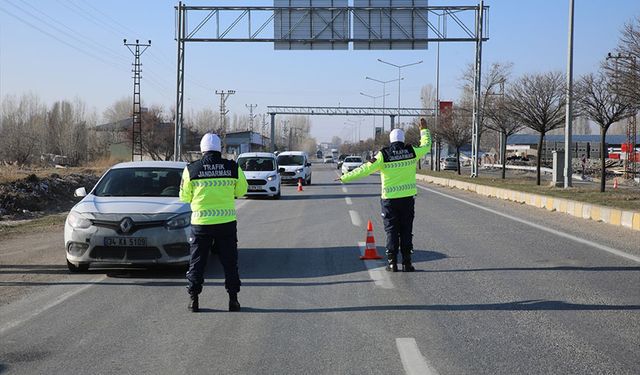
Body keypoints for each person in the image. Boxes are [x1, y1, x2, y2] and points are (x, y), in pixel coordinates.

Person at [338, 118, 432, 272]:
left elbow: (364, 169)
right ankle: (407, 263)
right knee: (406, 229)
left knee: (392, 231)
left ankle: (392, 263)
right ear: (403, 139)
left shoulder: (383, 155)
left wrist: (344, 177)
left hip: (389, 200)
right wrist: (424, 130)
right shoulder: (411, 151)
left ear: (390, 140)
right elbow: (426, 145)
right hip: (407, 199)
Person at [179, 133, 248, 312]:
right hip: (226, 223)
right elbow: (241, 190)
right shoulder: (232, 167)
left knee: (197, 262)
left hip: (201, 224)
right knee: (230, 262)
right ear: (220, 148)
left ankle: (194, 300)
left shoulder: (191, 169)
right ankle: (233, 300)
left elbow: (184, 197)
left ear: (202, 150)